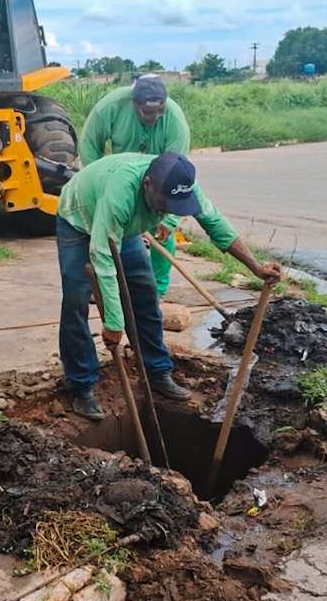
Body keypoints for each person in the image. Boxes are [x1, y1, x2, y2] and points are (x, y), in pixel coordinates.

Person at [57, 151, 282, 420]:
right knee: (75, 301)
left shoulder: (182, 181)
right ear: (148, 184)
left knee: (146, 296)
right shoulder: (121, 192)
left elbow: (215, 223)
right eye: (165, 204)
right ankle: (81, 385)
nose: (169, 211)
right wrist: (114, 323)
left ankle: (157, 372)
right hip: (79, 221)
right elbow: (102, 259)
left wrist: (255, 267)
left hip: (126, 229)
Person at [80, 75, 191, 298]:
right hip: (119, 181)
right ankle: (105, 286)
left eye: (159, 112)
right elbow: (90, 147)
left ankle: (155, 291)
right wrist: (99, 188)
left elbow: (178, 172)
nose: (155, 117)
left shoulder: (175, 121)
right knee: (106, 234)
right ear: (134, 103)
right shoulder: (110, 107)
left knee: (163, 233)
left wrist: (169, 220)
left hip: (157, 184)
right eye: (148, 113)